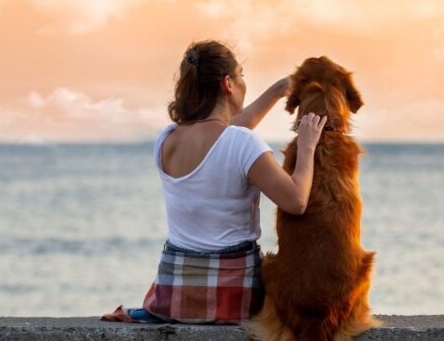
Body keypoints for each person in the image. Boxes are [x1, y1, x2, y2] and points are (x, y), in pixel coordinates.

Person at [101, 40, 326, 324]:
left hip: (173, 298)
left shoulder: (167, 140)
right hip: (232, 301)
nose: (245, 83)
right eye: (242, 75)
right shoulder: (242, 143)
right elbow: (296, 201)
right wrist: (307, 146)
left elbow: (226, 137)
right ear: (228, 83)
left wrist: (278, 90)